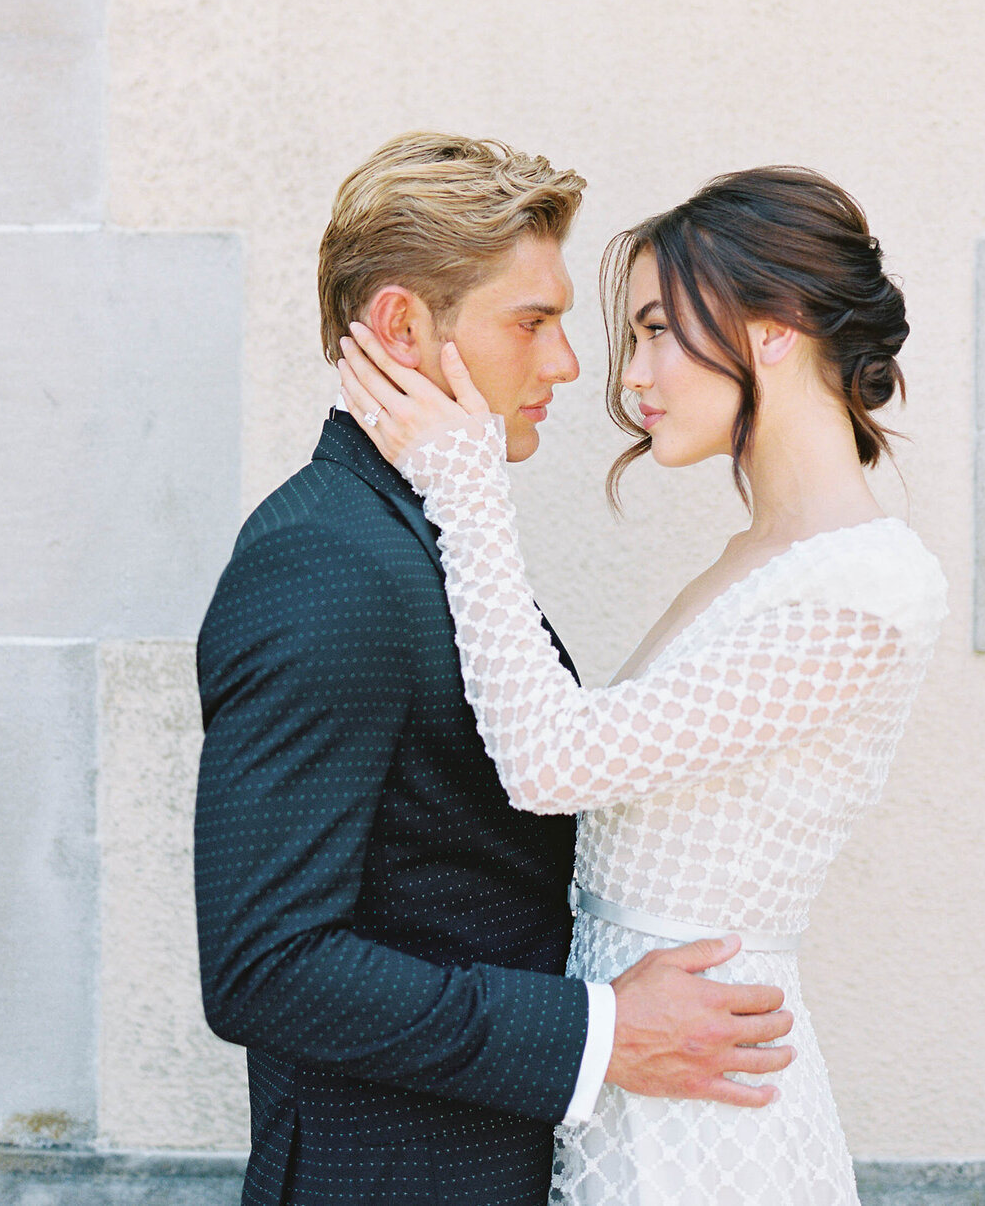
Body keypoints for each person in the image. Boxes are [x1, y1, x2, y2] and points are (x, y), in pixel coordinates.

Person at [194, 134, 796, 1206]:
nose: (567, 363)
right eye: (533, 321)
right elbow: (265, 964)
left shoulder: (416, 531)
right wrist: (602, 1032)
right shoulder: (323, 564)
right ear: (400, 326)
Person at [339, 164, 950, 1206]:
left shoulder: (867, 586)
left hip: (708, 1117)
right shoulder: (755, 558)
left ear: (773, 327)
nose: (632, 378)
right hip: (634, 1070)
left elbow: (550, 760)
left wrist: (466, 485)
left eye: (661, 328)